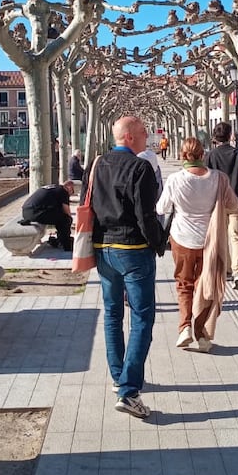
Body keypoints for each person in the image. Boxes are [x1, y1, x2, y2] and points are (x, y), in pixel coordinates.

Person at [85, 115, 167, 419]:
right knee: (143, 318)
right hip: (133, 249)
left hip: (103, 249)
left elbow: (87, 203)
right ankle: (130, 391)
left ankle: (119, 376)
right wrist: (159, 243)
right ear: (130, 137)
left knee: (112, 314)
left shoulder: (96, 165)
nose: (149, 137)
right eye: (144, 133)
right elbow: (146, 215)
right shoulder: (140, 167)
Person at [156, 137, 238, 351]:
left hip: (181, 239)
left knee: (184, 285)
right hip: (209, 241)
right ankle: (202, 335)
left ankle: (184, 328)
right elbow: (233, 203)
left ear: (183, 156)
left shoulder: (175, 179)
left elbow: (162, 208)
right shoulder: (218, 179)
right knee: (205, 286)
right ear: (203, 155)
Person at [206, 121, 238, 289]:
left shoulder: (211, 155)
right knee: (236, 236)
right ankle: (237, 271)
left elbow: (206, 178)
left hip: (217, 202)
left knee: (221, 237)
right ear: (230, 135)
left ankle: (226, 269)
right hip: (237, 200)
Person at [19, 180, 74, 251]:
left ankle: (60, 239)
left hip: (26, 211)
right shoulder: (63, 191)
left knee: (59, 216)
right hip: (36, 212)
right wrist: (70, 220)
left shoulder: (53, 188)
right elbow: (66, 210)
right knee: (65, 219)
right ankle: (66, 245)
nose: (70, 195)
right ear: (69, 187)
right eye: (72, 192)